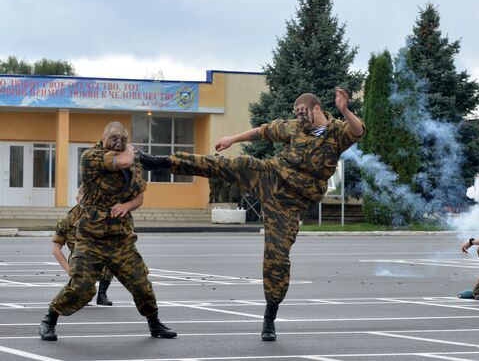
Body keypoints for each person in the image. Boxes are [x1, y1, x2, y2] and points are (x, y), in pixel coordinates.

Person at [138, 87, 364, 341]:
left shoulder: (335, 134)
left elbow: (357, 131)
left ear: (317, 109)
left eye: (304, 114)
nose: (300, 119)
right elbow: (262, 131)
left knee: (277, 258)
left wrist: (345, 110)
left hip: (289, 204)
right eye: (297, 115)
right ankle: (160, 162)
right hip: (270, 176)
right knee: (227, 165)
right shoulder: (292, 127)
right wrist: (233, 139)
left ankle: (269, 318)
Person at [39, 122, 177, 341]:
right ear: (103, 139)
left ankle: (155, 324)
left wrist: (126, 206)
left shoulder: (133, 163)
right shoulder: (92, 156)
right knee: (81, 288)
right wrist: (130, 149)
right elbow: (123, 161)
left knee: (141, 285)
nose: (117, 145)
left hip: (120, 239)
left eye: (121, 142)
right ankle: (49, 319)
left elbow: (139, 197)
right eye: (113, 141)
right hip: (91, 238)